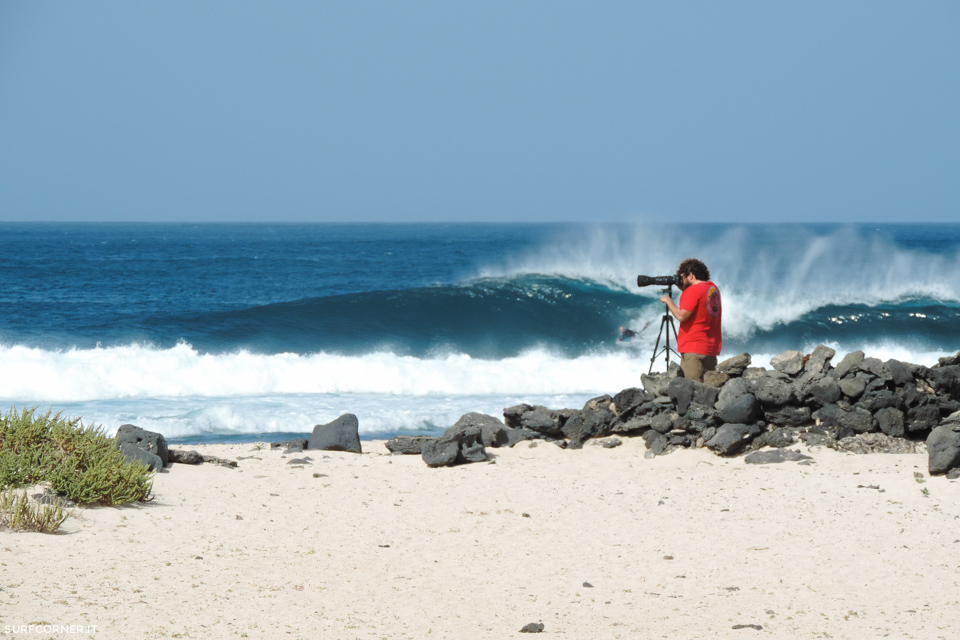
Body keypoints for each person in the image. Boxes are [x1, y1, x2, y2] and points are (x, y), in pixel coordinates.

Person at [659, 258, 721, 382]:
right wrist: (684, 289)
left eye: (683, 276)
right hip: (710, 349)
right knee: (709, 390)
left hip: (693, 350)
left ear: (691, 275)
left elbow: (681, 316)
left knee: (693, 390)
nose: (681, 279)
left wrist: (668, 300)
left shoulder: (693, 291)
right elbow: (698, 301)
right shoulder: (712, 288)